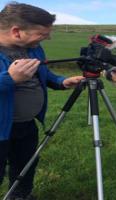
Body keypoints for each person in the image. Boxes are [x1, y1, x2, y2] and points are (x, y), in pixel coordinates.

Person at [0, 2, 85, 200]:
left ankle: (20, 196)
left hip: (26, 125)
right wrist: (10, 78)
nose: (48, 37)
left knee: (26, 165)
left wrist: (61, 81)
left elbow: (43, 74)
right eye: (42, 33)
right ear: (16, 31)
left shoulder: (34, 48)